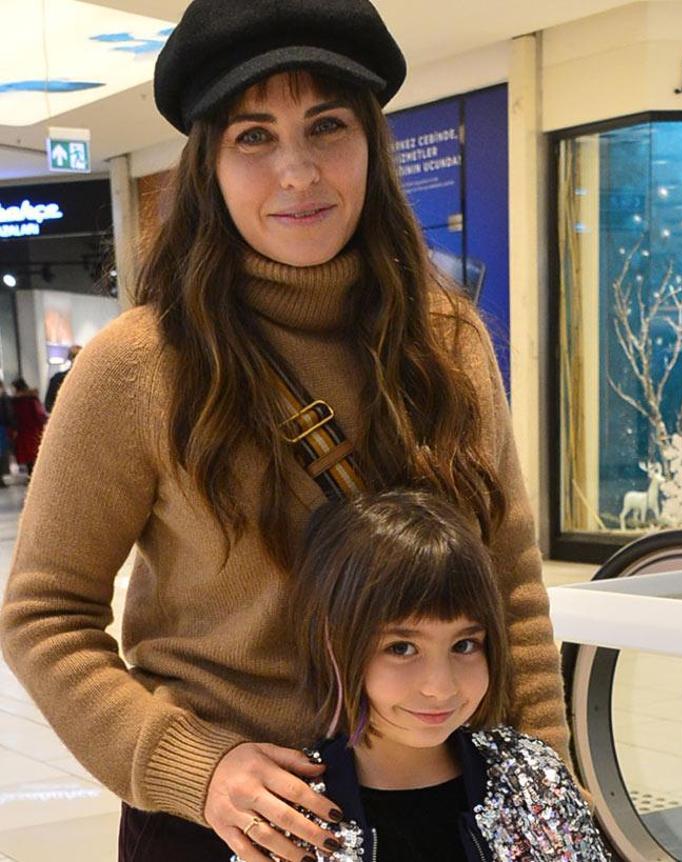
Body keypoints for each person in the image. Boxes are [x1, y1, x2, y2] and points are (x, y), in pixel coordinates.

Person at [0, 1, 572, 860]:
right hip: (232, 822)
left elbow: (509, 583)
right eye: (254, 137)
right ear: (209, 165)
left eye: (327, 126)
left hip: (439, 799)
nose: (298, 172)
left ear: (371, 144)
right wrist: (194, 766)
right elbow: (44, 613)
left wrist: (547, 786)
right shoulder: (141, 364)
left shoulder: (447, 342)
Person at [288, 490, 609, 862]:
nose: (440, 687)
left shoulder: (533, 779)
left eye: (464, 645)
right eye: (401, 648)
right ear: (333, 646)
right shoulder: (293, 814)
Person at [9, 377, 46, 479]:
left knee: (28, 456)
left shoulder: (15, 402)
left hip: (23, 431)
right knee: (34, 454)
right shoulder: (32, 398)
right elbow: (39, 415)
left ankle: (32, 475)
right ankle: (35, 475)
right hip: (33, 430)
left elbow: (13, 417)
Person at [44, 344, 82, 413]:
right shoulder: (57, 378)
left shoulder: (88, 379)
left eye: (78, 356)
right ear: (70, 358)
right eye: (74, 356)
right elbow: (48, 404)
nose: (76, 359)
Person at [0, 381, 15, 485]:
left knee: (3, 453)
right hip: (3, 428)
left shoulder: (5, 398)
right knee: (2, 453)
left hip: (3, 428)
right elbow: (9, 414)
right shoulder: (5, 398)